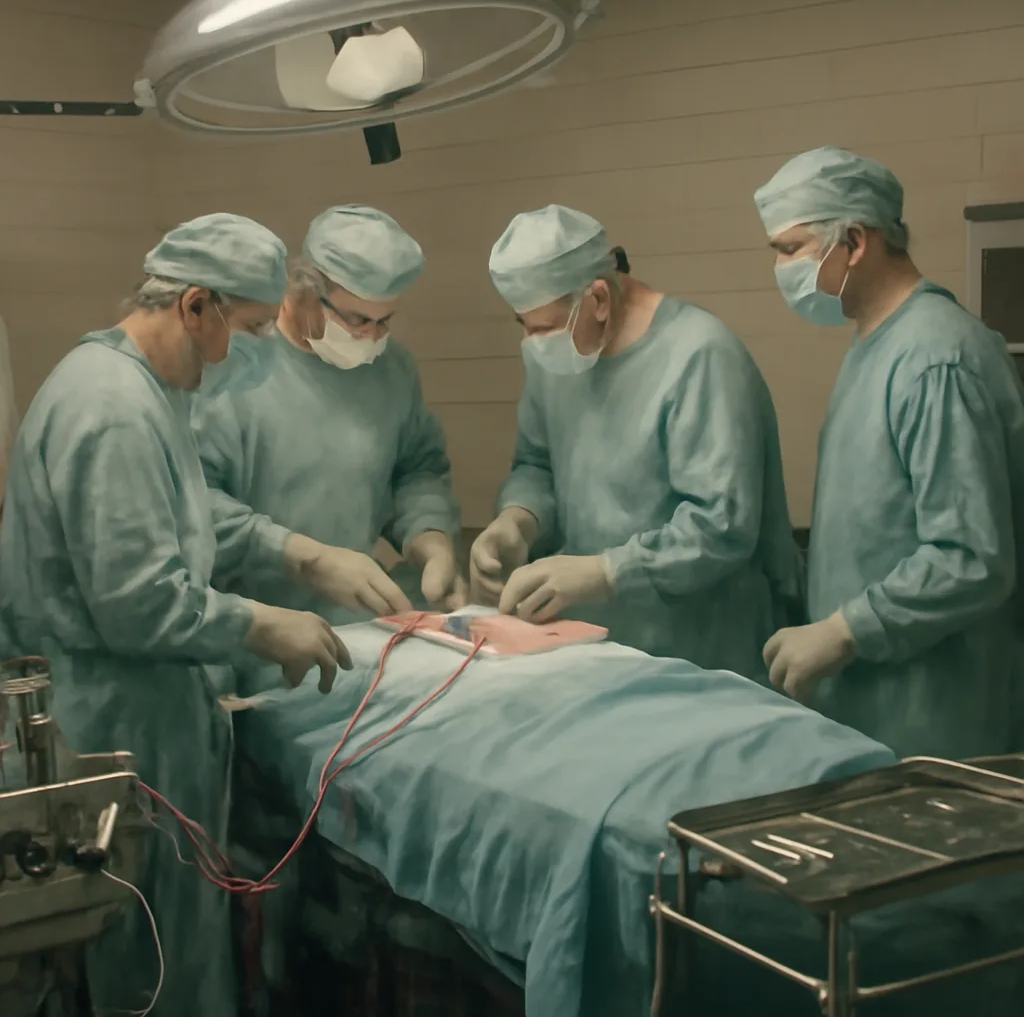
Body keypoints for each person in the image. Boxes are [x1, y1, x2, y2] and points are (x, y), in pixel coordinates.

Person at [0, 213, 406, 1016]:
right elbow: (138, 601)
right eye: (250, 330)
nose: (253, 352)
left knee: (174, 958)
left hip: (148, 733)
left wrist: (301, 554)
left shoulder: (148, 391)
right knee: (142, 974)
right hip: (110, 741)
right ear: (195, 306)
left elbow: (184, 516)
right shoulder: (111, 409)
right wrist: (261, 624)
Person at [755, 146, 1024, 758]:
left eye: (791, 248)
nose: (781, 267)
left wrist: (845, 631)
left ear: (854, 241)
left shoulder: (937, 358)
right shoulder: (877, 346)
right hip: (875, 705)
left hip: (939, 715)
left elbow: (970, 558)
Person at [470, 204, 803, 680]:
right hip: (592, 643)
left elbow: (722, 525)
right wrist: (518, 521)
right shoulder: (560, 359)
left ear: (599, 298)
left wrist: (607, 572)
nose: (533, 341)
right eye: (521, 324)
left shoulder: (698, 356)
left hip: (699, 649)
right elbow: (537, 463)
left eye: (544, 327)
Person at [192, 204, 464, 627]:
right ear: (301, 290)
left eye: (385, 320)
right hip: (248, 627)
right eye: (357, 318)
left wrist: (429, 537)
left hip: (357, 627)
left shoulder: (390, 370)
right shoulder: (230, 365)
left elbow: (415, 469)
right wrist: (303, 558)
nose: (372, 336)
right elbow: (192, 500)